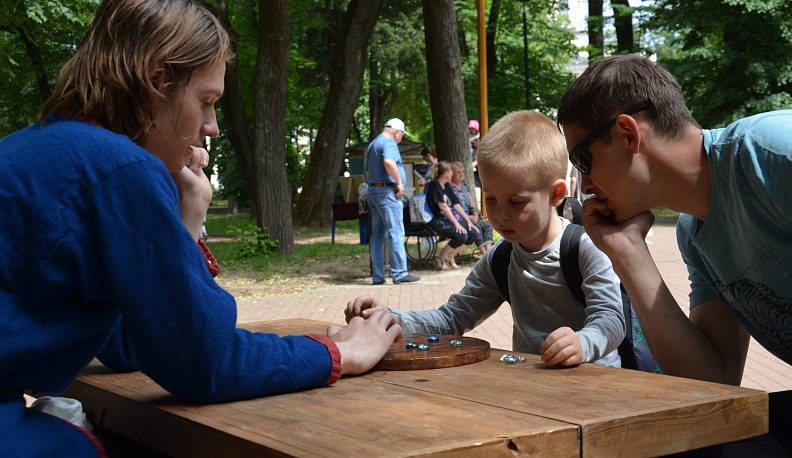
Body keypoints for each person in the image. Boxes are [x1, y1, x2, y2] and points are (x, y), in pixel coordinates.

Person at [0, 0, 402, 455]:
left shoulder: (36, 147)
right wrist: (341, 353)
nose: (211, 127)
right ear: (157, 80)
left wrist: (188, 214)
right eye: (206, 101)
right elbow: (202, 363)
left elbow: (132, 342)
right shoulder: (118, 168)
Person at [556, 53, 792, 454]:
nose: (585, 184)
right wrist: (629, 254)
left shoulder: (771, 153)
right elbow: (713, 384)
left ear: (628, 134)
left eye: (582, 160)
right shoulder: (694, 234)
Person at [347, 111, 626, 367]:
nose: (500, 215)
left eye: (516, 202)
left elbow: (611, 320)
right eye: (491, 199)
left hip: (596, 386)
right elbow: (453, 318)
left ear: (555, 194)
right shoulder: (501, 258)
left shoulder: (586, 248)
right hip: (535, 387)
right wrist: (393, 319)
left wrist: (583, 342)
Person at [366, 118, 420, 285]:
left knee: (377, 236)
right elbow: (389, 162)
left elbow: (368, 171)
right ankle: (399, 273)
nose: (401, 138)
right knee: (396, 232)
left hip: (374, 191)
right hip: (387, 193)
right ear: (396, 132)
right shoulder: (389, 143)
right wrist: (398, 183)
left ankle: (377, 276)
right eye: (401, 135)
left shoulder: (373, 144)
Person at [425, 161, 482, 269]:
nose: (452, 173)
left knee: (474, 233)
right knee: (461, 235)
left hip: (447, 218)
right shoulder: (435, 184)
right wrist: (457, 224)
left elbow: (456, 205)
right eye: (451, 171)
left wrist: (468, 221)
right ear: (446, 173)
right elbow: (443, 207)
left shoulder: (447, 186)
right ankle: (440, 257)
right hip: (436, 219)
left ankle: (450, 255)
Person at [450, 161, 492, 254]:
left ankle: (489, 251)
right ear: (452, 173)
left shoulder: (464, 186)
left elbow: (471, 202)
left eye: (462, 172)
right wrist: (468, 218)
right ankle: (484, 253)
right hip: (458, 218)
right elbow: (451, 208)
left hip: (469, 216)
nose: (461, 174)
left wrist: (475, 214)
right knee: (476, 227)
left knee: (486, 225)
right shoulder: (449, 188)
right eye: (458, 172)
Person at [468, 119, 481, 187]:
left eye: (472, 129)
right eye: (470, 129)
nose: (471, 130)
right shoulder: (469, 136)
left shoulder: (479, 136)